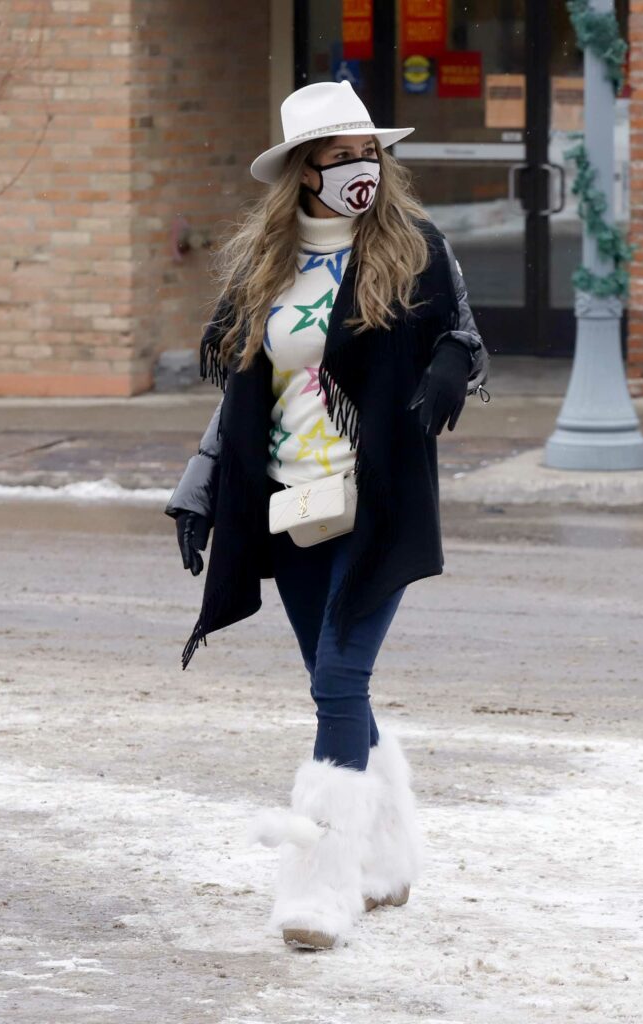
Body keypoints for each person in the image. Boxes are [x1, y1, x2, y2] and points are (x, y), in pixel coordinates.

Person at [165, 81, 489, 951]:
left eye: (367, 153)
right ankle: (387, 859)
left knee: (338, 683)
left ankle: (319, 886)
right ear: (303, 171)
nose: (359, 170)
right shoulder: (262, 266)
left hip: (373, 502)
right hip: (287, 501)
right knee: (333, 686)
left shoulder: (414, 247)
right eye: (339, 156)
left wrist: (454, 362)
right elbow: (241, 393)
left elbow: (461, 331)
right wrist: (201, 489)